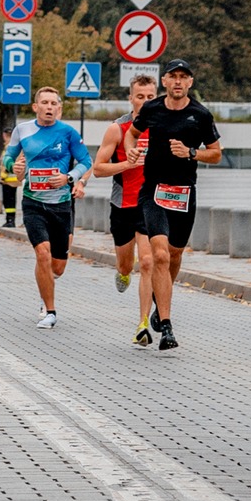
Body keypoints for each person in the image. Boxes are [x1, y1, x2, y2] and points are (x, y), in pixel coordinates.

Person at [131, 59, 221, 352]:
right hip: (153, 191)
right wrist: (134, 148)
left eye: (184, 77)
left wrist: (191, 152)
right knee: (159, 255)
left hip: (183, 194)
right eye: (173, 77)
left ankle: (161, 300)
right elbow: (133, 132)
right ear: (165, 82)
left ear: (190, 83)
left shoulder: (200, 115)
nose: (179, 82)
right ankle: (167, 327)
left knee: (174, 254)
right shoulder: (152, 109)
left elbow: (216, 154)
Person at [1, 86, 92, 328]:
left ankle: (46, 285)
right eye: (45, 103)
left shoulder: (69, 133)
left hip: (61, 204)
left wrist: (69, 178)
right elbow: (8, 157)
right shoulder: (23, 130)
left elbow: (86, 161)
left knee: (58, 267)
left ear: (59, 109)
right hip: (33, 202)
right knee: (42, 253)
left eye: (54, 104)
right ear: (36, 107)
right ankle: (50, 311)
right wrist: (14, 167)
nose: (49, 107)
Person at [91, 74, 158, 344]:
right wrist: (126, 165)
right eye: (139, 96)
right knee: (126, 263)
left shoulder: (163, 126)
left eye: (150, 97)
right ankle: (122, 271)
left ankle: (143, 324)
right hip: (123, 204)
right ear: (130, 98)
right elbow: (98, 169)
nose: (144, 101)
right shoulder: (117, 129)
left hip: (150, 203)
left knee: (148, 261)